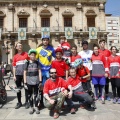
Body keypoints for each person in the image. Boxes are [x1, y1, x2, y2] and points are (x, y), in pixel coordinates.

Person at [36, 35, 56, 107]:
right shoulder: (38, 49)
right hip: (41, 71)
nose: (45, 41)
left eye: (46, 40)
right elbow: (35, 60)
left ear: (48, 41)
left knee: (50, 87)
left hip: (49, 71)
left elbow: (56, 57)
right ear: (42, 41)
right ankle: (41, 102)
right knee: (41, 87)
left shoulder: (51, 49)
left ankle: (50, 101)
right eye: (44, 40)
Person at [24, 49, 42, 114]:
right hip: (29, 82)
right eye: (31, 55)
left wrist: (40, 81)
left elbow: (39, 72)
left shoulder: (37, 63)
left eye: (34, 55)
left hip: (36, 82)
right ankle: (31, 107)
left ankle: (36, 106)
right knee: (29, 95)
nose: (33, 56)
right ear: (29, 55)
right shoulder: (27, 63)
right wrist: (25, 82)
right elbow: (25, 73)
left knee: (36, 95)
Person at [12, 42, 29, 109]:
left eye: (21, 45)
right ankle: (19, 102)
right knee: (18, 89)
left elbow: (29, 63)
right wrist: (14, 75)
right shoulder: (15, 56)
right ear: (16, 47)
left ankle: (27, 102)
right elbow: (14, 67)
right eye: (18, 46)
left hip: (26, 74)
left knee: (26, 89)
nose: (20, 46)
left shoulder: (26, 54)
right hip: (18, 74)